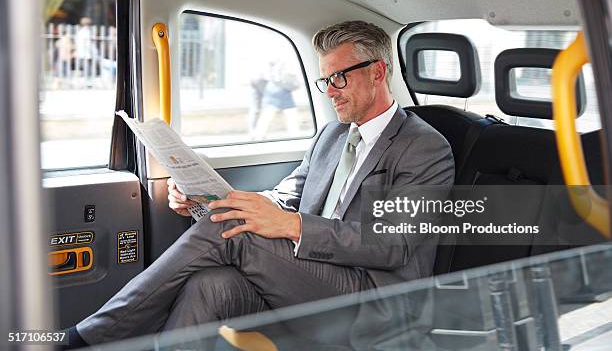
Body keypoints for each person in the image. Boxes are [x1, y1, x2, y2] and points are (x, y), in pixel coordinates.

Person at [67, 20, 454, 348]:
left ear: (378, 72)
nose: (330, 89)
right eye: (325, 80)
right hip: (309, 277)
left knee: (231, 230)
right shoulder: (332, 137)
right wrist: (211, 199)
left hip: (375, 301)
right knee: (210, 284)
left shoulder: (424, 147)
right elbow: (285, 197)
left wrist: (292, 225)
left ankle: (88, 338)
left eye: (338, 77)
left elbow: (393, 245)